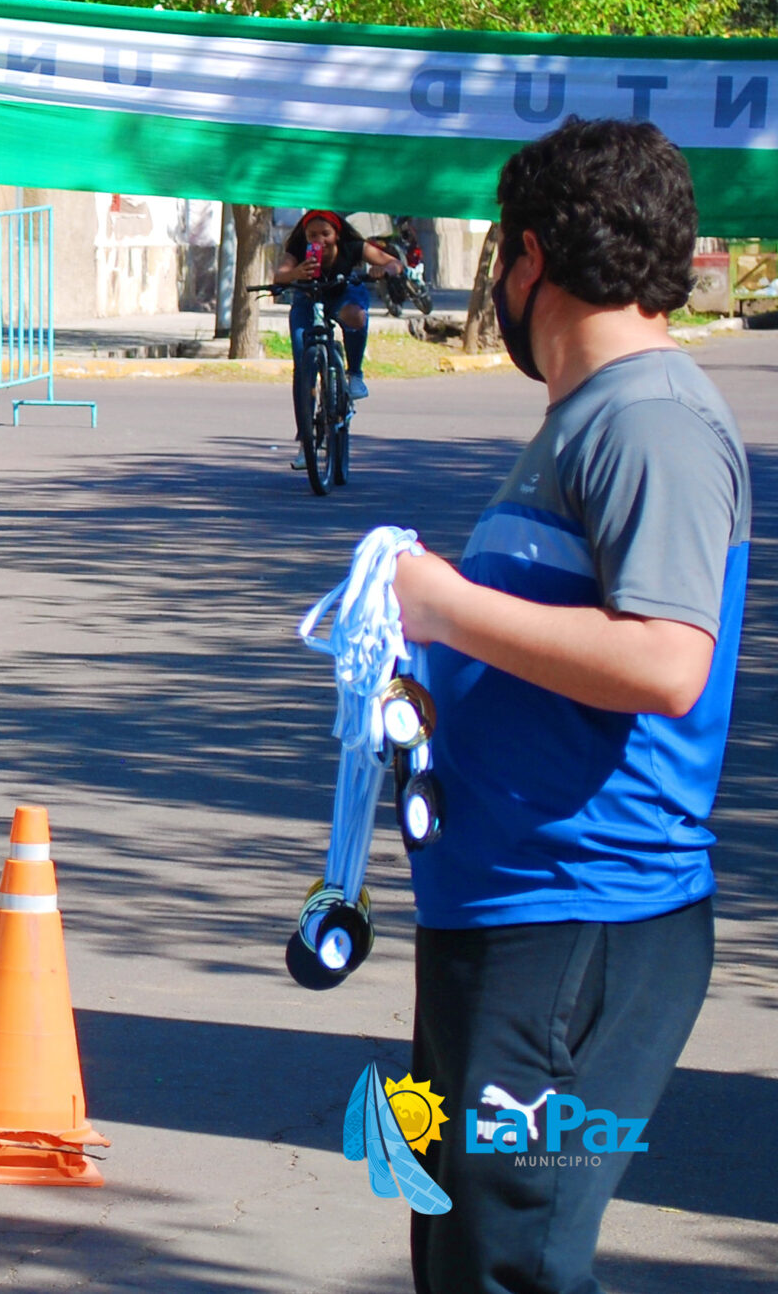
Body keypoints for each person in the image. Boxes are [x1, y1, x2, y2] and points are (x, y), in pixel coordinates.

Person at [390, 118, 747, 1294]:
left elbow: (665, 663)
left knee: (512, 1257)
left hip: (579, 923)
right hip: (506, 914)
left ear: (529, 256)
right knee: (462, 1249)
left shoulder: (649, 421)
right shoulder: (588, 416)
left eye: (501, 253)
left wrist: (446, 607)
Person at [271, 208, 400, 403]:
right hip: (308, 299)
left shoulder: (352, 246)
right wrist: (295, 273)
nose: (320, 240)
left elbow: (395, 263)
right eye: (313, 235)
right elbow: (279, 275)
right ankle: (306, 417)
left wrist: (383, 270)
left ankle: (355, 374)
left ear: (337, 234)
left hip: (343, 293)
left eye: (326, 234)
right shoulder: (298, 249)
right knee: (302, 354)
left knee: (355, 315)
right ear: (305, 236)